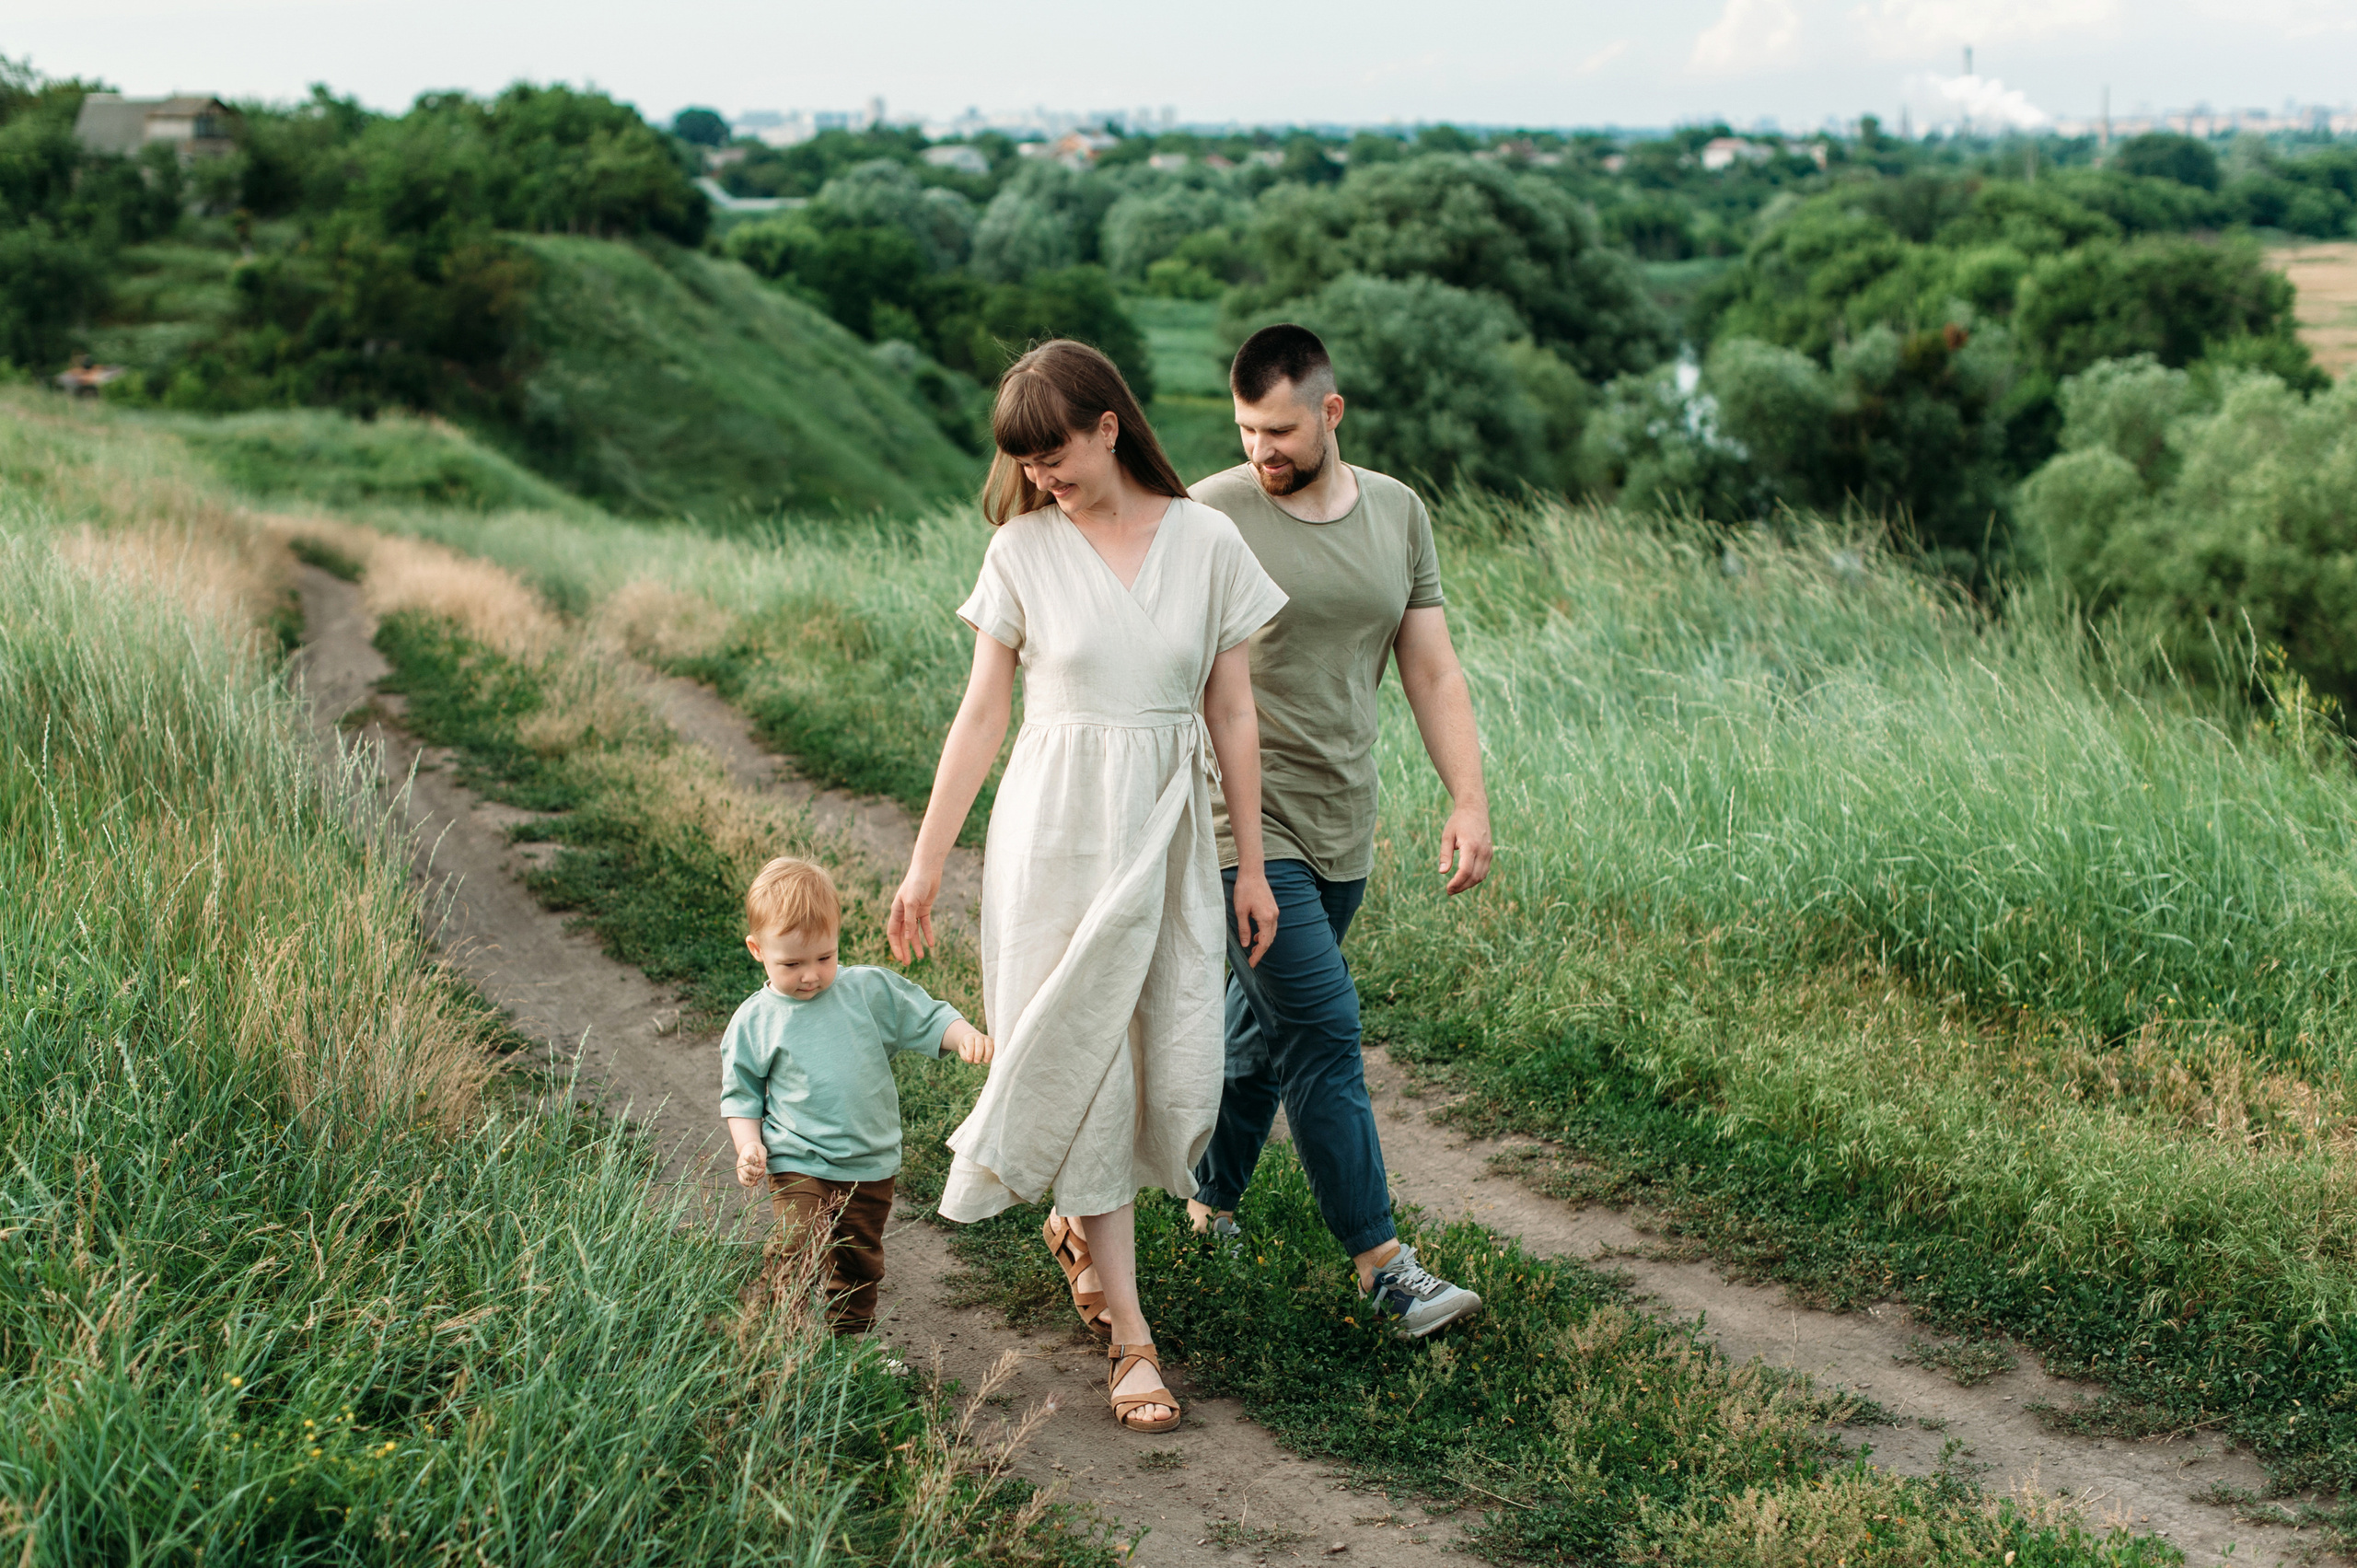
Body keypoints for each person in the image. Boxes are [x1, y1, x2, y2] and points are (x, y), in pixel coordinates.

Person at [888, 340, 1286, 1434]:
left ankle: (1079, 1220)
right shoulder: (1020, 549)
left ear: (1109, 424)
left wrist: (1250, 863)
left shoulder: (1207, 542)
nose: (1044, 478)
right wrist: (926, 860)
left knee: (1168, 1065)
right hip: (1052, 835)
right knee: (1084, 1052)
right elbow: (982, 716)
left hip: (1160, 833)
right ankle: (1134, 1336)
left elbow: (1234, 713)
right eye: (1027, 461)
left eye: (1056, 454)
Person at [1187, 323, 1495, 1339]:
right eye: (1243, 431)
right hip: (1240, 820)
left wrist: (1466, 797)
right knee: (1321, 1028)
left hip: (1339, 818)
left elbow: (1431, 667)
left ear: (1330, 411)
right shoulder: (1209, 512)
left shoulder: (1399, 511)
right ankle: (1384, 1268)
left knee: (1262, 1043)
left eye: (1277, 430)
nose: (1258, 451)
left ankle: (1204, 1204)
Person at [722, 855, 994, 1335]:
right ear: (756, 950)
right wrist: (749, 1144)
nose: (810, 975)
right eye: (792, 963)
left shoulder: (865, 991)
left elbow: (925, 1016)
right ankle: (768, 1332)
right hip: (797, 1157)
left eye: (824, 957)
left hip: (870, 1160)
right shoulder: (755, 1020)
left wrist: (961, 1033)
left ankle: (849, 1346)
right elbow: (741, 1094)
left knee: (859, 1261)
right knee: (796, 1241)